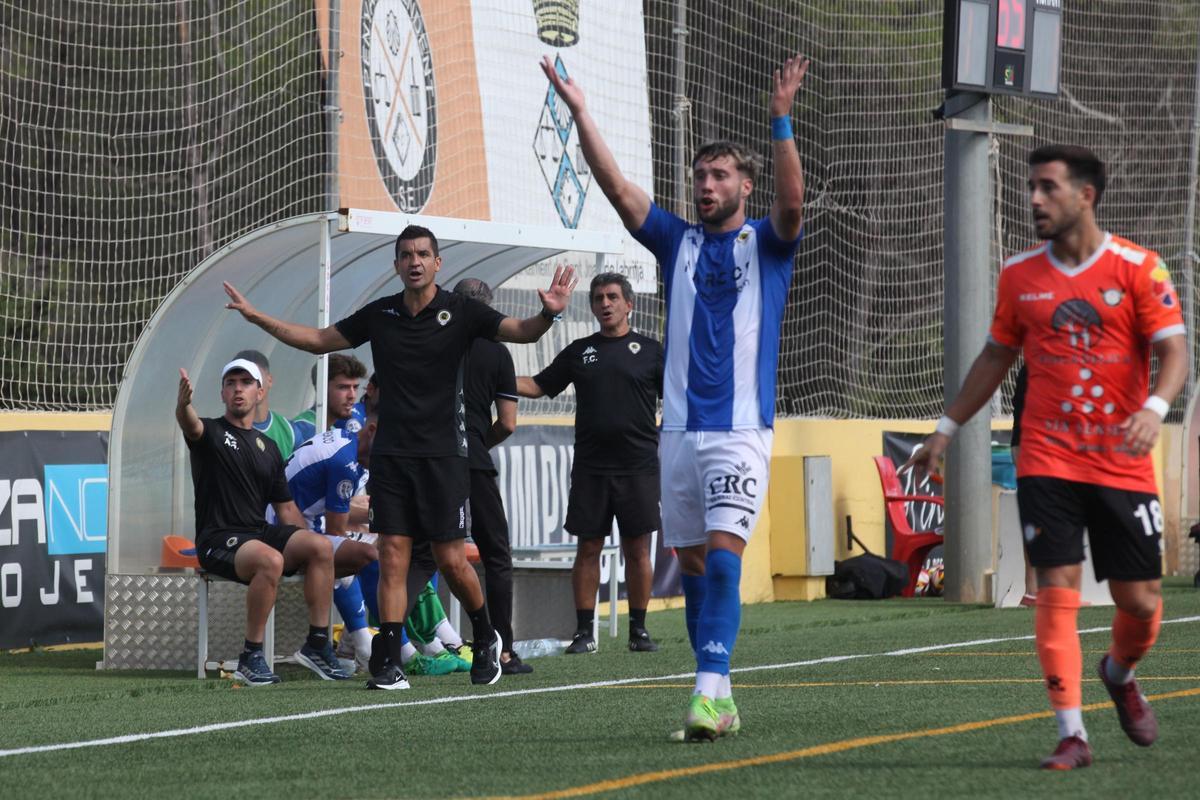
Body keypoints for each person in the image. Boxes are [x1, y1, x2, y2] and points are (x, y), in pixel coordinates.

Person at [539, 53, 809, 739]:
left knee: (723, 554)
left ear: (743, 185)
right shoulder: (676, 241)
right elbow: (619, 190)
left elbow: (794, 203)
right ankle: (719, 692)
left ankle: (706, 686)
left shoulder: (769, 245)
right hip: (678, 434)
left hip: (741, 429)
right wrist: (580, 114)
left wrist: (781, 121)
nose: (707, 184)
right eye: (700, 175)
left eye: (720, 175)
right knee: (690, 564)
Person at [904, 145, 1187, 770]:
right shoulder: (1018, 275)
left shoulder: (1140, 268)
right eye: (1031, 187)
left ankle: (1119, 671)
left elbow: (1175, 352)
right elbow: (995, 357)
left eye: (1048, 188)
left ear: (1085, 196)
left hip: (1121, 462)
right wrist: (946, 429)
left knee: (1139, 601)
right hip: (1047, 458)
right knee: (1056, 590)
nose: (1034, 198)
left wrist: (1155, 408)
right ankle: (1071, 733)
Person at [224, 224, 576, 690]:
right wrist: (255, 317)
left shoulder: (463, 311)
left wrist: (547, 315)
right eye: (406, 254)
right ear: (397, 264)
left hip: (446, 458)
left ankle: (486, 635)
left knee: (452, 560)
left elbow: (522, 332)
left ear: (437, 263)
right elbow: (317, 339)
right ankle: (389, 659)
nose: (414, 261)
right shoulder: (382, 314)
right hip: (392, 457)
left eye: (423, 254)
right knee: (392, 554)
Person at [175, 358, 351, 685]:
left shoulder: (268, 448)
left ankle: (317, 644)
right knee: (271, 559)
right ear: (223, 393)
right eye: (231, 383)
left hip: (257, 533)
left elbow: (286, 509)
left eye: (245, 382)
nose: (238, 388)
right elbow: (190, 424)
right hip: (219, 539)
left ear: (260, 392)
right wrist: (183, 405)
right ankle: (250, 656)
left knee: (320, 547)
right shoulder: (211, 432)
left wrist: (312, 556)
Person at [516, 272, 663, 655]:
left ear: (629, 304)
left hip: (638, 467)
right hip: (591, 468)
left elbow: (679, 398)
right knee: (588, 548)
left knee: (638, 550)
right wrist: (489, 373)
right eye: (598, 298)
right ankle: (585, 632)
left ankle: (639, 630)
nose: (605, 303)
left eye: (613, 297)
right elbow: (537, 385)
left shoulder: (651, 351)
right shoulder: (581, 351)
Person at [453, 278, 529, 674]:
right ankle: (502, 649)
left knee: (416, 552)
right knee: (496, 554)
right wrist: (479, 441)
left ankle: (393, 644)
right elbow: (510, 423)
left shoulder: (433, 342)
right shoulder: (498, 353)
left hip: (432, 460)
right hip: (475, 463)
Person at [233, 349, 303, 460]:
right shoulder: (227, 433)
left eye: (256, 378)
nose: (250, 386)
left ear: (269, 380)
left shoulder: (290, 431)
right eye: (243, 381)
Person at [1009, 364, 1039, 607]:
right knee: (1037, 510)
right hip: (1030, 441)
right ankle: (1034, 590)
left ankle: (1045, 590)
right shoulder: (1035, 367)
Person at [291, 353, 368, 441]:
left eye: (355, 387)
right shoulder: (301, 431)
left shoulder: (330, 430)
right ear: (321, 388)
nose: (352, 395)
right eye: (343, 387)